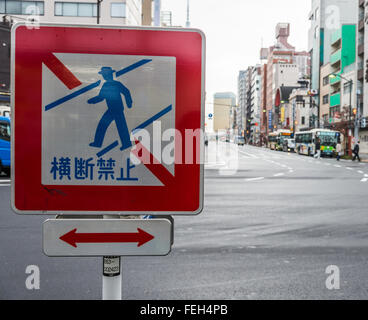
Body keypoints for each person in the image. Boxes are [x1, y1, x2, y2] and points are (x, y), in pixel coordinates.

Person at [88, 66, 133, 151]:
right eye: (104, 75)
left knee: (104, 125)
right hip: (114, 109)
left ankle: (98, 143)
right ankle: (126, 144)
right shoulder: (107, 85)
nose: (104, 76)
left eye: (105, 74)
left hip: (116, 109)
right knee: (120, 126)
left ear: (109, 75)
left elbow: (126, 92)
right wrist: (92, 100)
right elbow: (101, 97)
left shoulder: (116, 84)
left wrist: (129, 103)